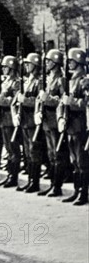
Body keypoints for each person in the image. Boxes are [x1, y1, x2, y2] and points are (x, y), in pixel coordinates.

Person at [37, 49, 69, 197]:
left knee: (58, 155)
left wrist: (48, 99)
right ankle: (52, 184)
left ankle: (57, 186)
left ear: (56, 62)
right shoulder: (48, 78)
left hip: (55, 121)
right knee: (51, 154)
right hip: (46, 121)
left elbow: (63, 100)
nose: (47, 63)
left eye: (49, 61)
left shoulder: (61, 79)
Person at [59, 48, 89, 205]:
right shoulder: (71, 80)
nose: (69, 63)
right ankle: (77, 191)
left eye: (71, 61)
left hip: (80, 124)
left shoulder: (84, 80)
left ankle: (84, 193)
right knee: (74, 161)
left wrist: (72, 103)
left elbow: (86, 103)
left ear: (78, 61)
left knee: (82, 161)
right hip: (70, 125)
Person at [15, 53, 44, 193]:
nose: (26, 66)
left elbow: (39, 101)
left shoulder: (39, 81)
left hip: (33, 122)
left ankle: (35, 182)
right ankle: (30, 180)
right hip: (25, 121)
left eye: (29, 63)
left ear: (35, 65)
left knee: (34, 152)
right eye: (25, 63)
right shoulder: (26, 81)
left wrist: (24, 100)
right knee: (27, 152)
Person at [0, 55, 21, 188]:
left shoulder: (16, 82)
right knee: (9, 149)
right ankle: (10, 175)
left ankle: (13, 177)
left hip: (11, 120)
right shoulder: (6, 81)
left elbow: (15, 101)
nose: (3, 69)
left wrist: (2, 101)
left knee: (13, 149)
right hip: (4, 120)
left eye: (6, 67)